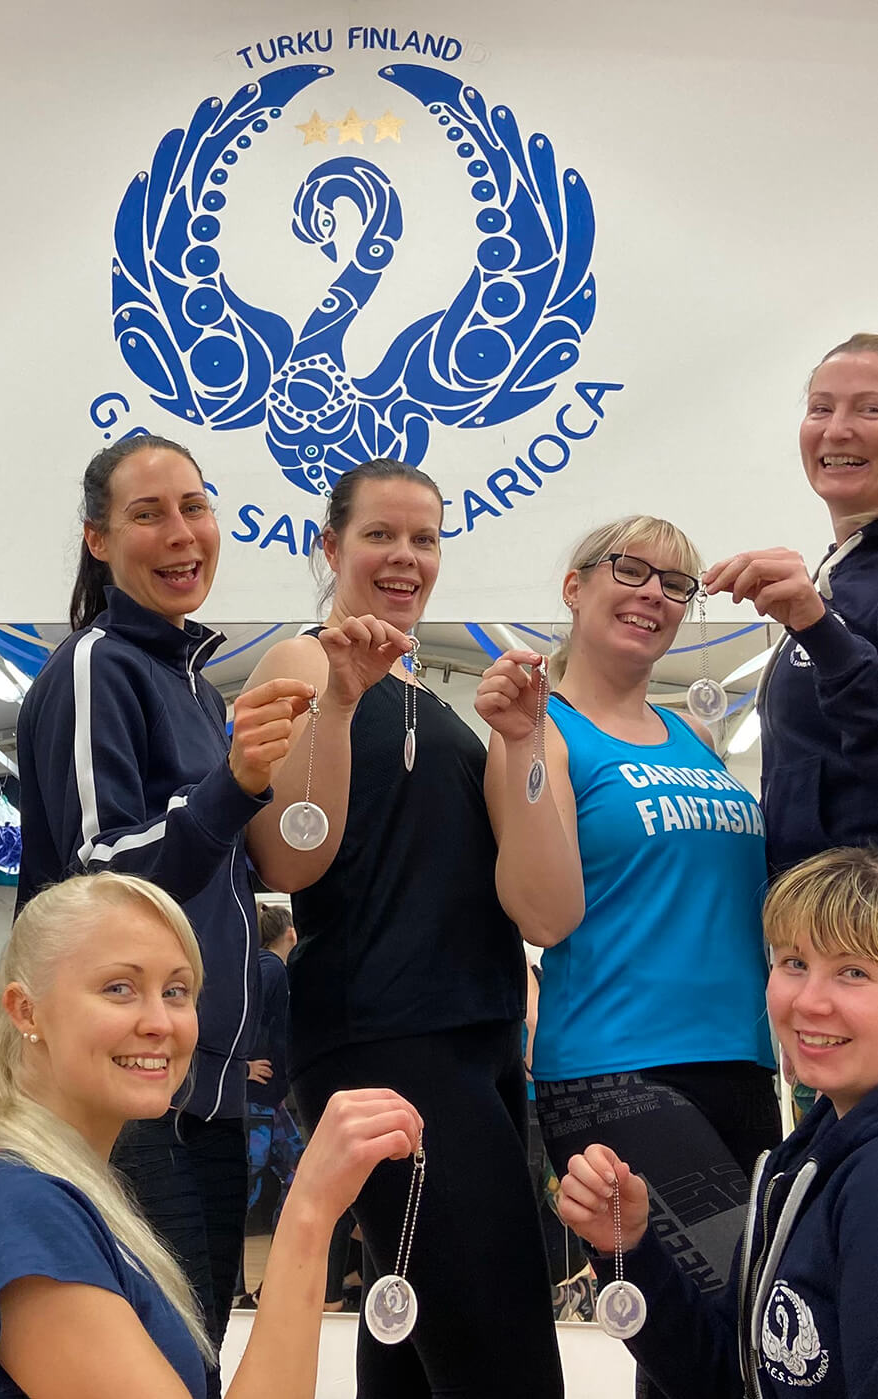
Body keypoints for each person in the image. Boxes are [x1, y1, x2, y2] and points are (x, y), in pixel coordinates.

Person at [242, 457, 563, 1399]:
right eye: (379, 533)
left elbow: (528, 892)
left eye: (424, 537)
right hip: (388, 1034)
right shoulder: (303, 660)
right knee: (500, 1352)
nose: (405, 556)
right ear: (328, 545)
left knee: (417, 1346)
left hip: (474, 1034)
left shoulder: (433, 697)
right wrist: (338, 701)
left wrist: (520, 742)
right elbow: (288, 854)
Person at [15, 434, 315, 1385]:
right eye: (148, 513)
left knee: (190, 1362)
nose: (182, 533)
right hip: (130, 1096)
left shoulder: (193, 683)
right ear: (98, 540)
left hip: (200, 1090)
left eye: (195, 506)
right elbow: (95, 878)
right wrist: (230, 785)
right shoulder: (100, 662)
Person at [0, 871, 424, 1399]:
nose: (160, 1021)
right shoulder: (19, 1213)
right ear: (26, 1009)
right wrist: (310, 1214)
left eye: (176, 991)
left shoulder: (68, 1199)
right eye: (119, 988)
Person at [476, 516, 779, 1394]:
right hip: (619, 1070)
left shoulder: (692, 736)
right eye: (631, 569)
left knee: (711, 1330)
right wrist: (526, 740)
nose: (654, 592)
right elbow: (543, 912)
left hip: (739, 1060)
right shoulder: (543, 728)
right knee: (734, 1332)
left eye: (675, 583)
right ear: (573, 587)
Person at [558, 845, 878, 1399]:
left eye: (854, 972)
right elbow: (723, 1376)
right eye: (793, 963)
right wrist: (630, 1248)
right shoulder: (798, 1161)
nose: (810, 1001)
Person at [705, 332, 878, 875]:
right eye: (820, 408)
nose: (837, 429)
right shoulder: (841, 571)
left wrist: (816, 625)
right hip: (815, 930)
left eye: (870, 409)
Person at [235, 903, 303, 1308]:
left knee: (295, 1175)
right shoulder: (271, 968)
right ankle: (239, 1283)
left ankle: (269, 1280)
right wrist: (242, 1067)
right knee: (249, 1189)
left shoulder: (265, 968)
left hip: (267, 1102)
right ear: (290, 934)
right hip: (259, 1103)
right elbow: (247, 1019)